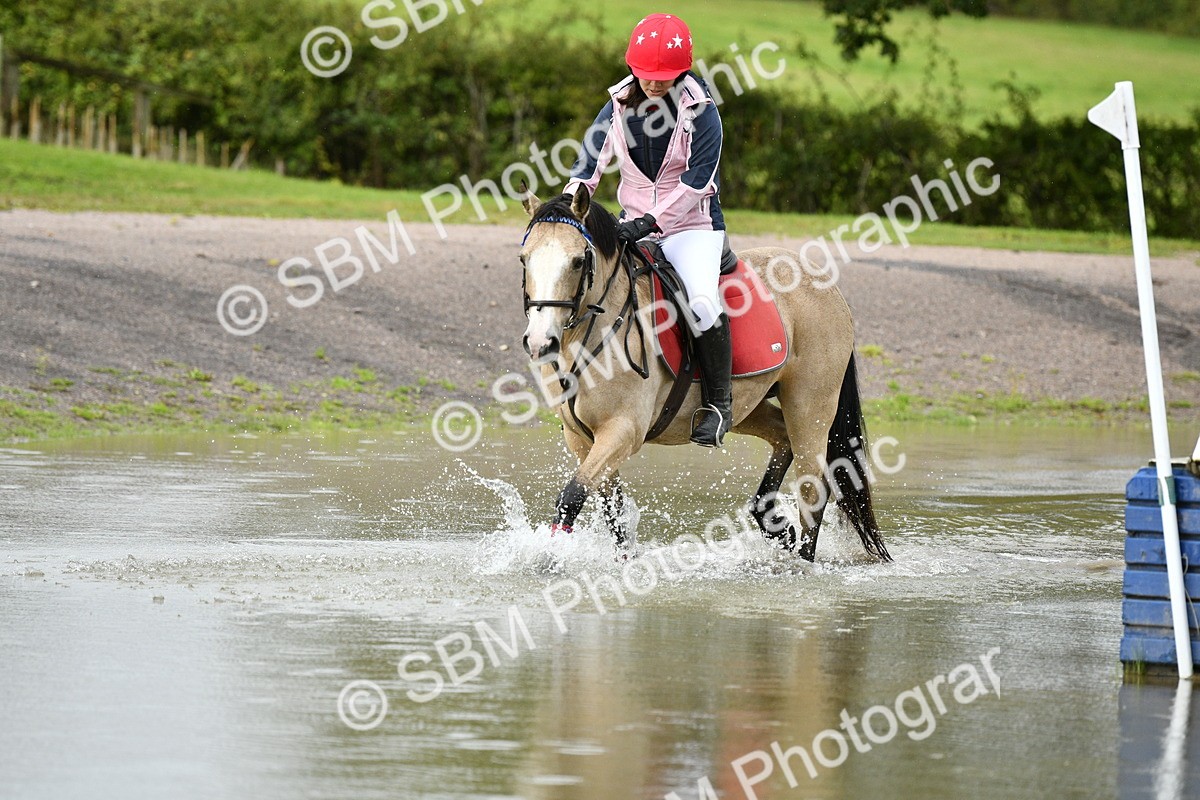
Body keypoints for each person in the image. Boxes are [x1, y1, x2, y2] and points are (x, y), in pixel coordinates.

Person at [564, 13, 734, 448]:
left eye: (665, 75)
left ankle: (719, 404)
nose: (655, 83)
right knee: (587, 283)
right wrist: (568, 207)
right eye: (646, 74)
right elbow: (587, 168)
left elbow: (698, 182)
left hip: (693, 228)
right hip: (632, 224)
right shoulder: (617, 104)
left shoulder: (702, 110)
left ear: (683, 70)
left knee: (701, 302)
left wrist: (651, 222)